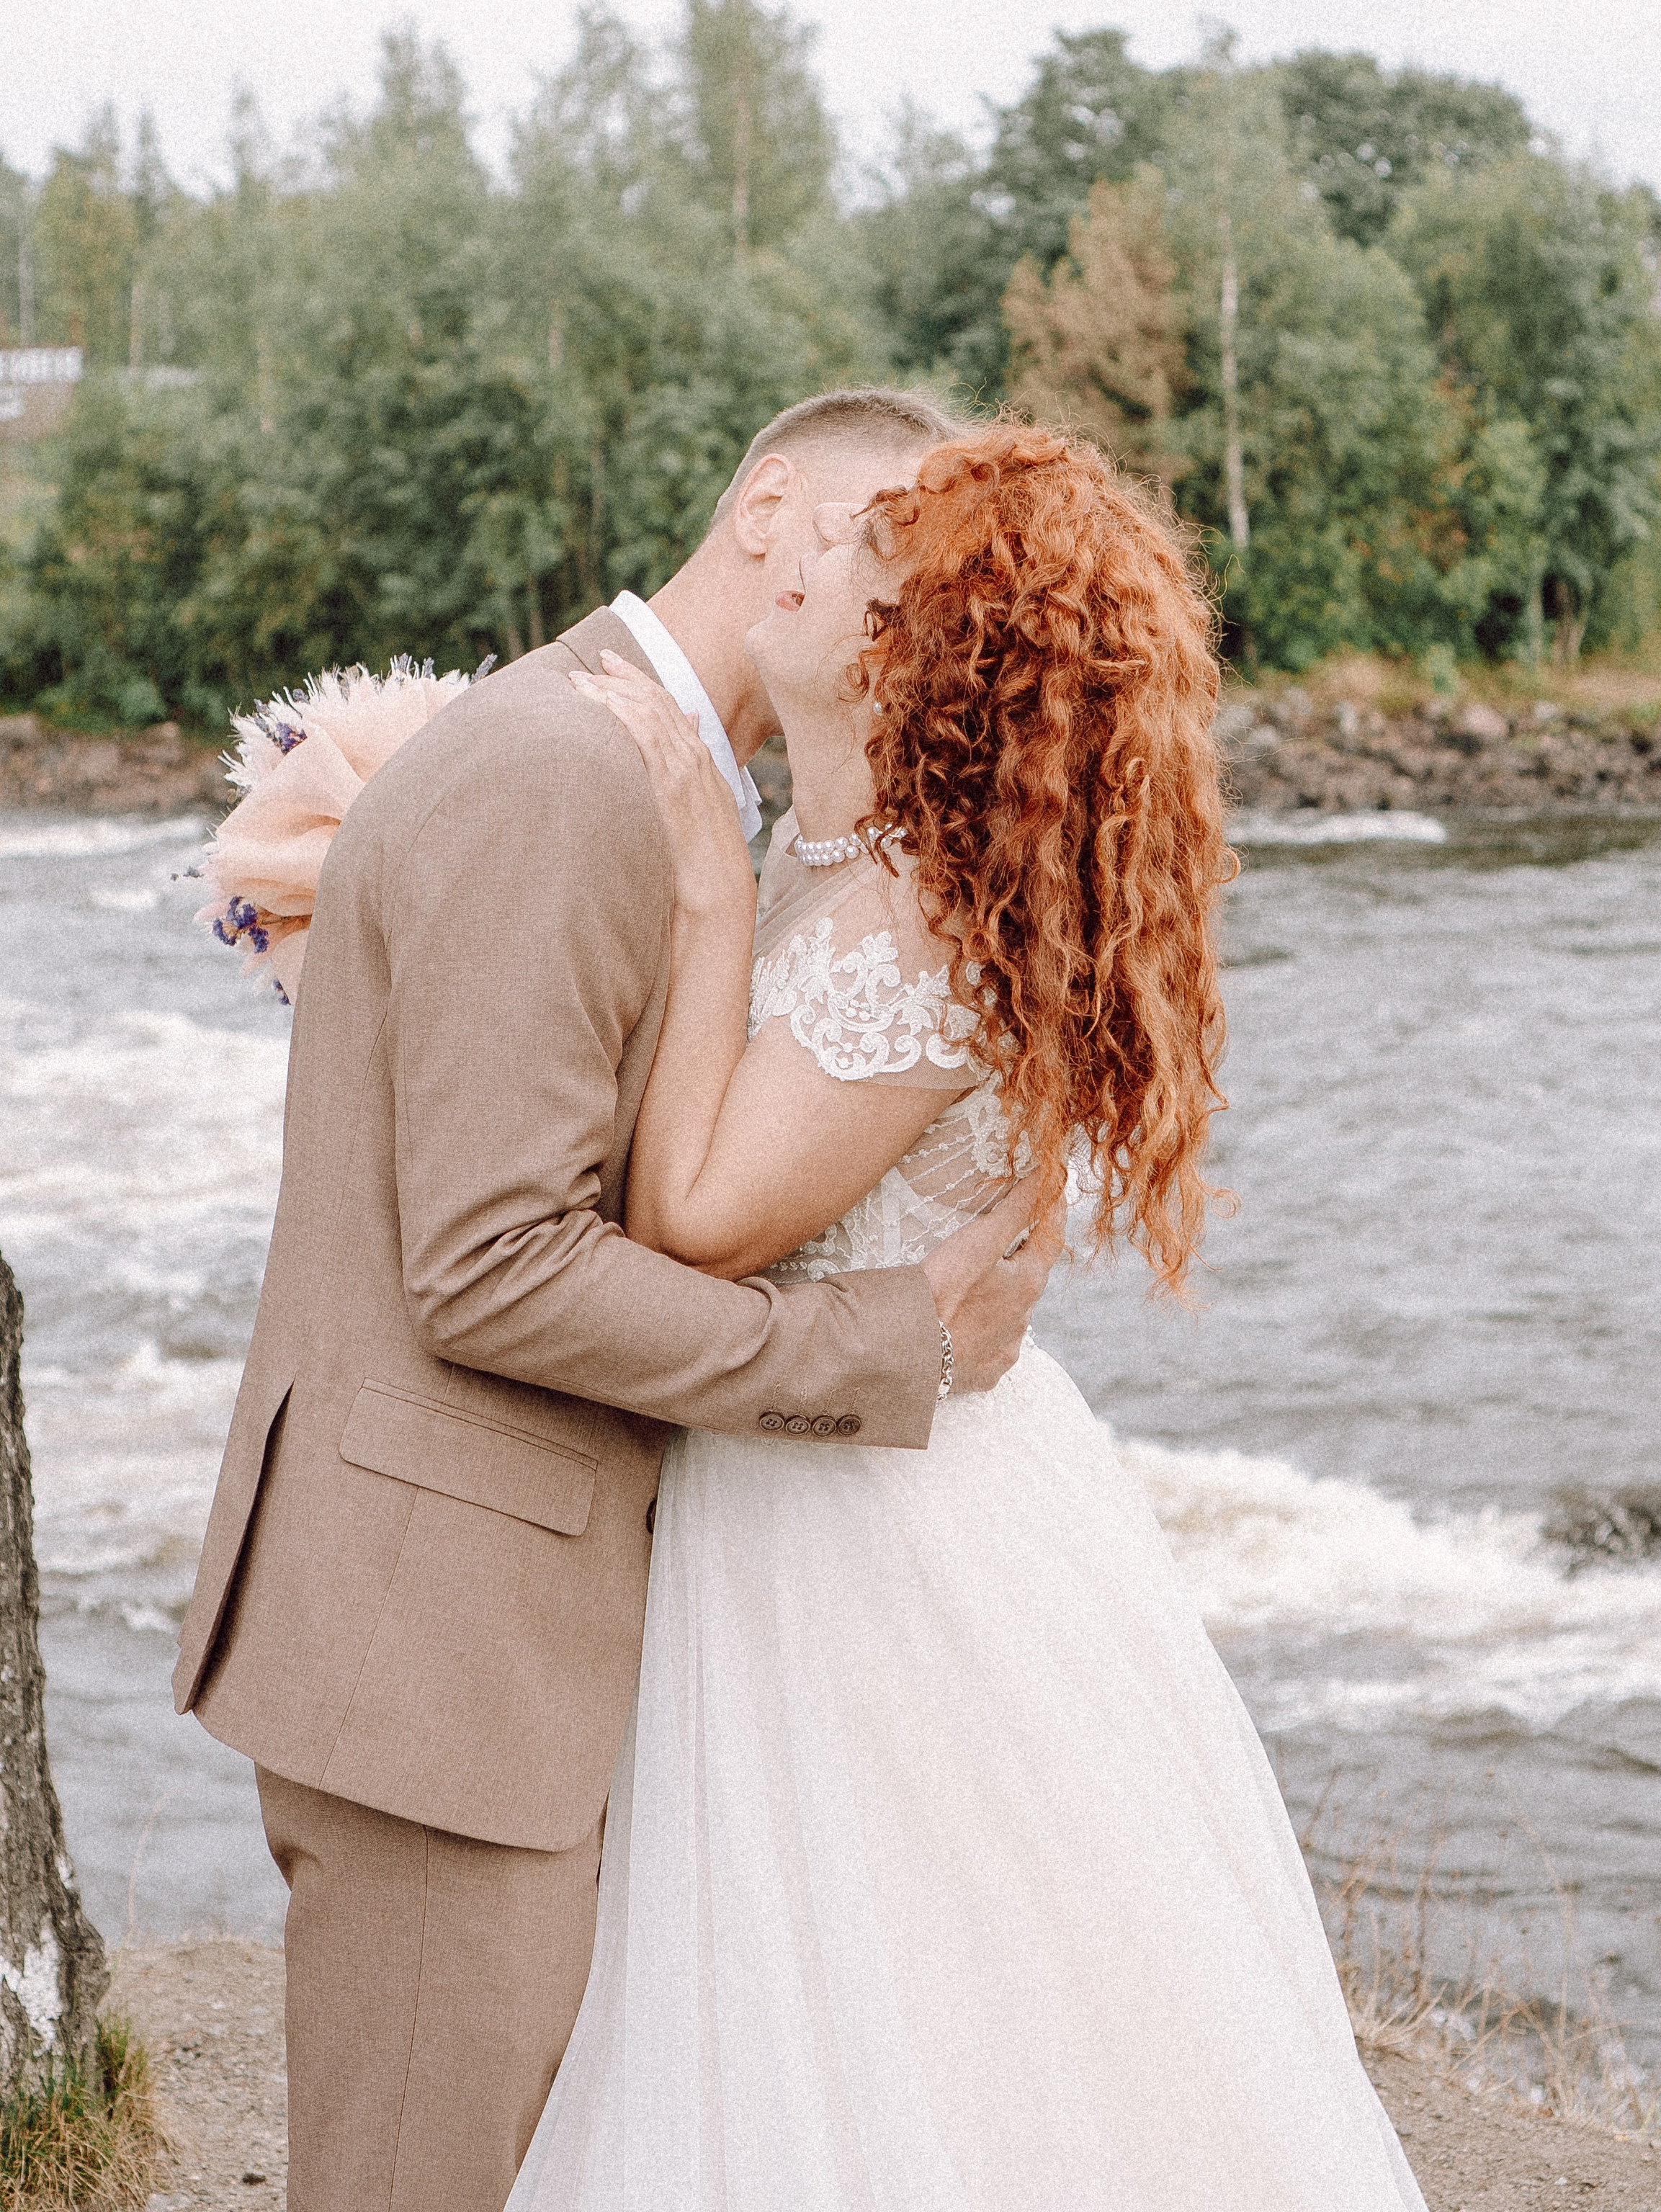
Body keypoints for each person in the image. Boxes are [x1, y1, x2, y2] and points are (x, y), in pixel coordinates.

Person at [513, 424, 1426, 2211]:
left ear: (921, 646)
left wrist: (701, 872)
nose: (796, 555)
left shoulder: (923, 920)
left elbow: (693, 1217)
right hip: (820, 1478)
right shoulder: (851, 865)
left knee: (925, 2001)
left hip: (877, 1541)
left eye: (863, 549)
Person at [173, 388, 1064, 2212]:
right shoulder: (571, 766)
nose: (874, 593)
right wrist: (884, 1341)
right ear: (767, 509)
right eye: (863, 545)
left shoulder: (679, 786)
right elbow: (493, 1267)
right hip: (444, 1657)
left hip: (527, 1642)